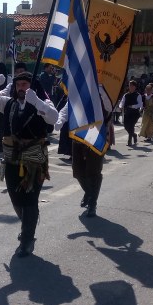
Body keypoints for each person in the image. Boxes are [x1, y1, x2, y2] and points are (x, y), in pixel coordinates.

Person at [0, 71, 59, 257]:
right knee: (15, 198)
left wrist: (37, 102)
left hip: (34, 159)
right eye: (18, 85)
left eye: (25, 84)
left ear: (32, 87)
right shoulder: (9, 103)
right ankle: (28, 222)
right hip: (11, 157)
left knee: (30, 199)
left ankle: (27, 238)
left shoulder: (43, 102)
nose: (21, 88)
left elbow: (53, 117)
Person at [55, 83, 113, 218]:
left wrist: (101, 90)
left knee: (94, 172)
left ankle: (92, 203)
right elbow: (67, 108)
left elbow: (110, 107)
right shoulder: (77, 92)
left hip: (96, 137)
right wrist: (60, 120)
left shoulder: (101, 91)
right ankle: (89, 192)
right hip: (79, 136)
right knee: (77, 171)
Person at [120, 80, 143, 146]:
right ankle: (134, 135)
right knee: (126, 127)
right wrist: (120, 106)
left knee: (131, 126)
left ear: (135, 87)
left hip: (134, 113)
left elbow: (140, 104)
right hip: (127, 113)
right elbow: (122, 102)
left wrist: (133, 106)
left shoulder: (138, 95)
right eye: (130, 85)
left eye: (132, 86)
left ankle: (129, 141)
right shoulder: (126, 95)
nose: (130, 87)